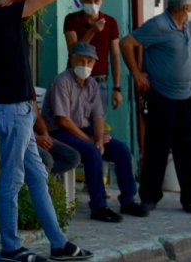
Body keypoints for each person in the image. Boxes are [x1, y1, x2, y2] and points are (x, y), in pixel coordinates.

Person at [0, 0, 92, 262]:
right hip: (11, 112)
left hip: (19, 111)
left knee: (37, 178)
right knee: (12, 180)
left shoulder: (11, 21)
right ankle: (11, 248)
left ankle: (59, 244)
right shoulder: (1, 13)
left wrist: (35, 118)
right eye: (28, 2)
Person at [43, 43, 149, 222]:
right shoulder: (62, 81)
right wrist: (91, 141)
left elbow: (98, 116)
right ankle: (99, 207)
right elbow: (63, 120)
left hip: (84, 131)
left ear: (94, 64)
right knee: (92, 152)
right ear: (72, 59)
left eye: (89, 61)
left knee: (121, 149)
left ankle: (128, 200)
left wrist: (99, 138)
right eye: (80, 60)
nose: (84, 65)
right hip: (59, 133)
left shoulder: (92, 84)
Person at [120, 0, 191, 214]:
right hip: (160, 97)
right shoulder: (158, 25)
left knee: (188, 150)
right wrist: (136, 73)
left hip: (185, 98)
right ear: (185, 8)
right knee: (157, 148)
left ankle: (190, 199)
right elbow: (126, 43)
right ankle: (149, 197)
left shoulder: (185, 25)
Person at [63, 0, 122, 115]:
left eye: (96, 1)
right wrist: (92, 31)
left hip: (100, 83)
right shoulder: (71, 20)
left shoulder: (111, 22)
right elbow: (73, 52)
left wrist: (117, 88)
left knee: (97, 129)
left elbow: (115, 56)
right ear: (81, 0)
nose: (93, 5)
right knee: (74, 126)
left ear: (102, 0)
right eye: (88, 1)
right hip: (74, 81)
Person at [34, 111, 81, 176]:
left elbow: (37, 117)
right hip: (24, 140)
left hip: (37, 136)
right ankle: (40, 181)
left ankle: (45, 177)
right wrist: (35, 139)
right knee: (47, 160)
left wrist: (45, 135)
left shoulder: (31, 101)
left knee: (74, 157)